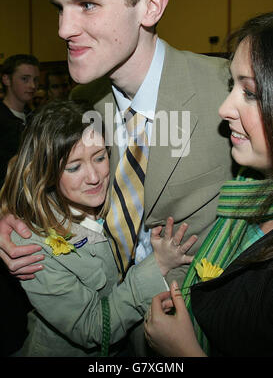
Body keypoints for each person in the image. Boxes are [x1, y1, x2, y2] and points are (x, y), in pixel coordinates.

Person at [0, 0, 233, 354]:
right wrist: (6, 216)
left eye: (87, 4)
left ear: (150, 7)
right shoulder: (84, 99)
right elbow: (34, 172)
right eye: (60, 8)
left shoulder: (226, 90)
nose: (64, 29)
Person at [0, 99, 197, 357]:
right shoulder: (30, 243)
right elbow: (93, 327)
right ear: (46, 170)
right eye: (74, 167)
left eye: (100, 157)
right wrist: (156, 265)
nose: (93, 177)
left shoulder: (116, 193)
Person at [144, 11, 273, 357]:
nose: (223, 108)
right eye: (232, 86)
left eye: (249, 92)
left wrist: (185, 351)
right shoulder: (249, 193)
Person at [0, 54, 40, 187]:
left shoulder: (35, 118)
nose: (33, 85)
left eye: (36, 80)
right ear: (6, 79)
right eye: (25, 79)